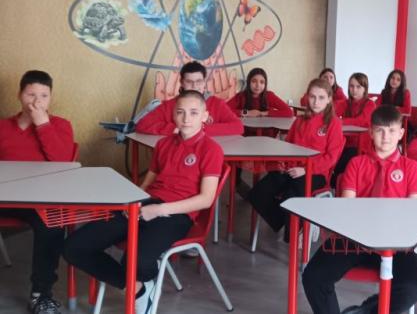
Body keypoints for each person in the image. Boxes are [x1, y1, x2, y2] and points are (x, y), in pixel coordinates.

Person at [64, 91, 222, 314]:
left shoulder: (211, 149)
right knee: (74, 247)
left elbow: (206, 199)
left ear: (204, 116)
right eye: (180, 112)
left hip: (176, 214)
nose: (186, 118)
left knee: (134, 261)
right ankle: (138, 289)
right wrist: (134, 202)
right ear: (173, 115)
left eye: (194, 113)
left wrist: (159, 210)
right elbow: (147, 183)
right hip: (144, 205)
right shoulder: (163, 144)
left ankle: (141, 276)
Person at [302, 106, 417, 314]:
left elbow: (412, 211)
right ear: (371, 132)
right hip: (354, 238)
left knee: (410, 289)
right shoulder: (356, 164)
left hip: (396, 242)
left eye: (391, 131)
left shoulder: (410, 167)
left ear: (401, 133)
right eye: (379, 130)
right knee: (313, 277)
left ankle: (365, 310)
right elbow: (350, 207)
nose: (385, 137)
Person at [0, 70, 74, 314]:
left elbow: (63, 162)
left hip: (40, 200)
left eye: (44, 95)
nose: (37, 101)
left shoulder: (61, 126)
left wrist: (42, 124)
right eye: (31, 94)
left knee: (53, 224)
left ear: (51, 98)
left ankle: (41, 294)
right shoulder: (3, 127)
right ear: (19, 95)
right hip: (5, 197)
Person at [246, 79, 344, 239]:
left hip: (316, 173)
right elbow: (288, 146)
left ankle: (292, 236)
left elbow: (331, 158)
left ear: (329, 99)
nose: (316, 102)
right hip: (292, 170)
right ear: (307, 97)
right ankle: (286, 223)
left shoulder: (334, 123)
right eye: (312, 97)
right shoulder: (299, 120)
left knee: (290, 196)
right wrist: (282, 164)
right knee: (258, 193)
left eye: (321, 97)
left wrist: (305, 170)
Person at [135, 61, 243, 136]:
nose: (194, 86)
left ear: (204, 82)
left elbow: (238, 127)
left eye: (199, 81)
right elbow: (142, 124)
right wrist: (176, 129)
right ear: (181, 83)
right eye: (189, 82)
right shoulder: (169, 105)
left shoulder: (217, 104)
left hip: (206, 154)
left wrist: (199, 129)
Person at [331, 73, 377, 186]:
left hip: (361, 146)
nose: (354, 90)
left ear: (365, 88)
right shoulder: (346, 103)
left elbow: (361, 121)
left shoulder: (370, 104)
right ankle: (333, 183)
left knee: (343, 162)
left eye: (358, 87)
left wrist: (340, 121)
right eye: (351, 86)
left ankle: (337, 185)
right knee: (331, 154)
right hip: (344, 143)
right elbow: (331, 114)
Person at [226, 67, 292, 118]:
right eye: (254, 81)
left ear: (265, 84)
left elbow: (289, 112)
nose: (258, 85)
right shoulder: (241, 96)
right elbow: (223, 110)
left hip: (267, 130)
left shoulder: (269, 96)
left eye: (262, 82)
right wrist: (247, 113)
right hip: (246, 131)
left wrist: (264, 113)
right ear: (249, 83)